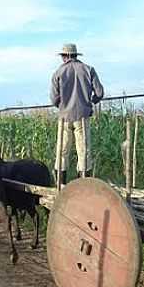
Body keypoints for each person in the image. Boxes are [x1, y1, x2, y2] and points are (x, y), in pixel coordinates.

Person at [50, 43, 104, 184]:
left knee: (62, 151)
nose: (62, 58)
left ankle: (61, 185)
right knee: (83, 151)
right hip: (82, 116)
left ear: (66, 56)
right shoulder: (88, 70)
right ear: (75, 55)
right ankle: (84, 184)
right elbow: (99, 93)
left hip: (64, 118)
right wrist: (90, 102)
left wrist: (63, 106)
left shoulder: (58, 73)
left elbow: (54, 98)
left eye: (62, 56)